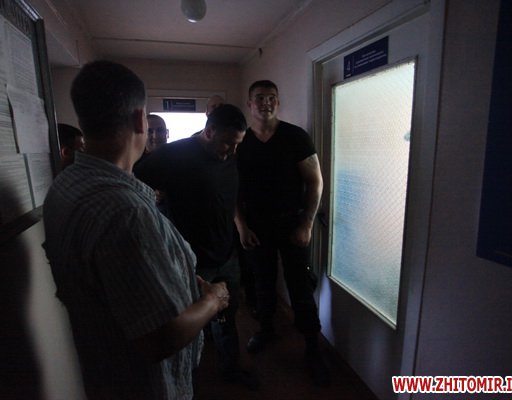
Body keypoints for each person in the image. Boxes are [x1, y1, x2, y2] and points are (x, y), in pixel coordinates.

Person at [43, 60, 229, 400]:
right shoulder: (126, 212)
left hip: (100, 366)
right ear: (140, 119)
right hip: (142, 384)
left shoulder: (65, 184)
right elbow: (160, 339)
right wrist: (213, 301)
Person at [134, 104, 259, 389]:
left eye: (237, 144)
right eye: (227, 142)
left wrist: (240, 228)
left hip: (226, 253)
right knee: (188, 322)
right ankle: (187, 381)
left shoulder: (231, 155)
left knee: (227, 315)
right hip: (190, 260)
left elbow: (230, 196)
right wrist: (154, 197)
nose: (232, 150)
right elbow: (131, 185)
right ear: (209, 131)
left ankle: (230, 371)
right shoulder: (173, 155)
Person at [235, 80, 329, 386]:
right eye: (260, 98)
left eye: (272, 98)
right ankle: (266, 329)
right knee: (262, 283)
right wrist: (242, 226)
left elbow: (315, 182)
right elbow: (231, 189)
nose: (266, 103)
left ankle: (312, 346)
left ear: (278, 102)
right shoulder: (241, 141)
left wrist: (306, 224)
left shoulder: (295, 137)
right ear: (249, 104)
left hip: (292, 225)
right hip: (256, 227)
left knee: (299, 286)